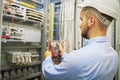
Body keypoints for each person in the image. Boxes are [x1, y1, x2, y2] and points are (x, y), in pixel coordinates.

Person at [42, 0, 119, 80]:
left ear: (91, 21)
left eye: (82, 20)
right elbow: (81, 66)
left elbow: (50, 73)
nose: (80, 25)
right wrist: (64, 54)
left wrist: (48, 57)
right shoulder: (114, 55)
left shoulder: (79, 57)